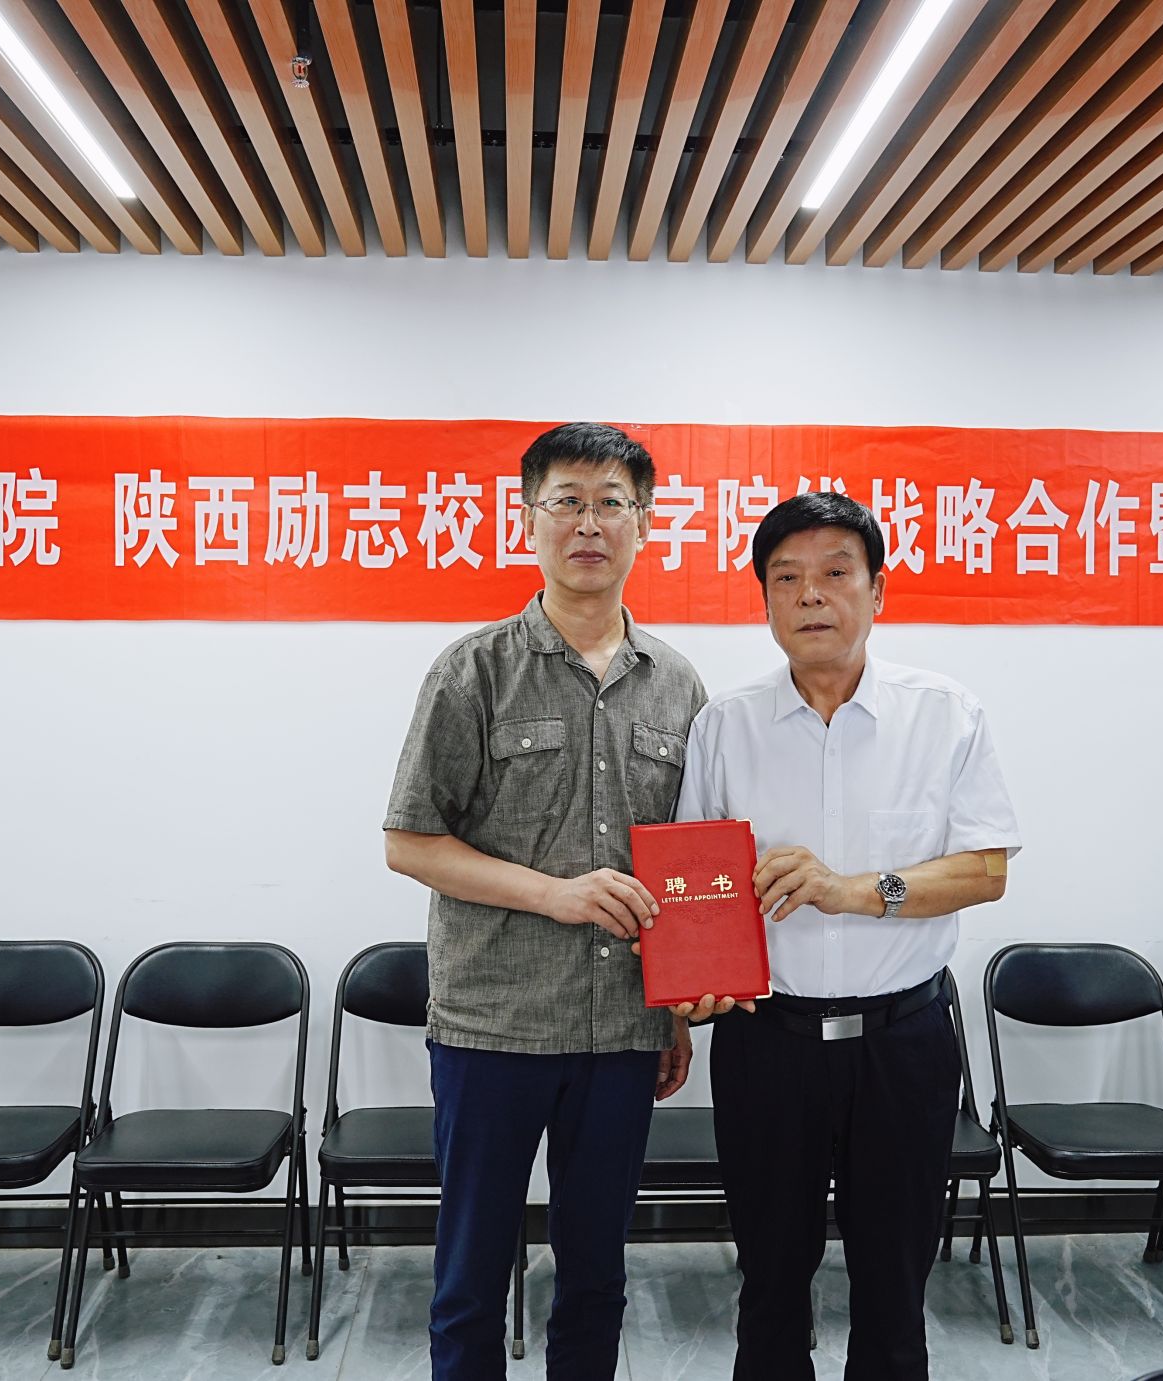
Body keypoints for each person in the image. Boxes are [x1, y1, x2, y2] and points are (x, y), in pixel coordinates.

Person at [384, 422, 709, 1381]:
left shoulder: (678, 685)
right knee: (472, 1276)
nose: (589, 524)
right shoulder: (472, 669)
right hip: (494, 1025)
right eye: (567, 501)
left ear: (644, 523)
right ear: (529, 519)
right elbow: (410, 840)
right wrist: (555, 895)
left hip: (622, 1032)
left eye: (612, 503)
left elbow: (684, 862)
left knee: (597, 1275)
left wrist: (675, 1005)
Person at [673, 491, 1021, 1381]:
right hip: (767, 1044)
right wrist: (687, 991)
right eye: (786, 578)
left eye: (835, 573)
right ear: (765, 599)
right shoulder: (725, 726)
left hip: (902, 1044)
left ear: (877, 590)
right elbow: (693, 889)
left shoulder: (944, 714)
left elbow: (986, 870)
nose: (811, 595)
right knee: (768, 1287)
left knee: (895, 1291)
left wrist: (852, 890)